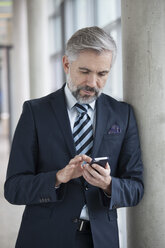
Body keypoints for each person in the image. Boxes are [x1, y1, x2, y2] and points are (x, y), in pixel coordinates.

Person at [4, 26, 144, 248]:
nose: (92, 83)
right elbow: (13, 189)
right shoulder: (35, 112)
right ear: (67, 64)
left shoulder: (122, 115)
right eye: (85, 71)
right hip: (44, 237)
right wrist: (58, 178)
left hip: (101, 240)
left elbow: (136, 188)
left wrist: (108, 185)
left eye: (102, 74)